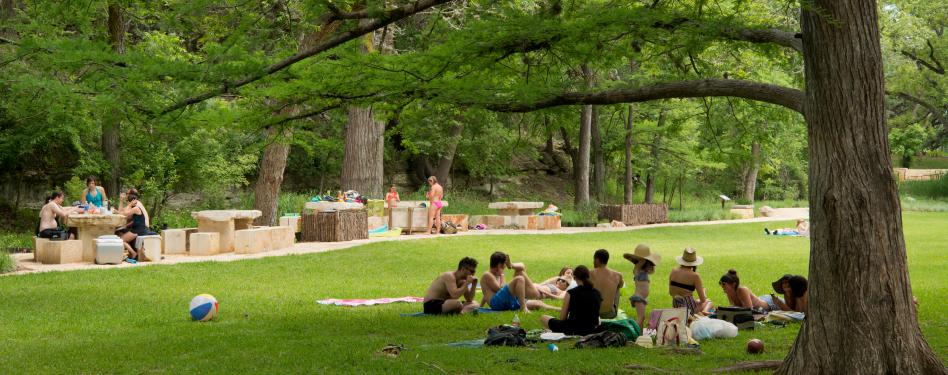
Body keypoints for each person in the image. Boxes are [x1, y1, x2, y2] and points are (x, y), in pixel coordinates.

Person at [480, 251, 560, 313]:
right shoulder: (487, 275)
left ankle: (561, 310)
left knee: (537, 303)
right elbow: (499, 290)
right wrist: (503, 277)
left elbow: (486, 293)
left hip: (503, 302)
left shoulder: (497, 274)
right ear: (499, 265)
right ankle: (523, 308)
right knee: (519, 279)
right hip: (496, 303)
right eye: (504, 265)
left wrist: (480, 306)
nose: (505, 267)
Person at [540, 265, 602, 336]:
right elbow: (597, 315)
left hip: (572, 329)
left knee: (543, 318)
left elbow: (562, 318)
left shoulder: (571, 293)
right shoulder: (597, 293)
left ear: (575, 278)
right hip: (591, 329)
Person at [623, 244, 661, 329]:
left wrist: (650, 261)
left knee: (642, 318)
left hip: (642, 298)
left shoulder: (643, 270)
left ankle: (640, 335)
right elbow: (642, 262)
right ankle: (633, 332)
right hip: (638, 297)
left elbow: (651, 270)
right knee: (640, 318)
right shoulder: (637, 269)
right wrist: (644, 257)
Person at [669, 248, 712, 315]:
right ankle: (704, 312)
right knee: (709, 302)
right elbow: (703, 299)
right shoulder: (695, 275)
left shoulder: (673, 271)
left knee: (697, 301)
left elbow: (671, 292)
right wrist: (704, 291)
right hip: (689, 309)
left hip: (676, 305)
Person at [116, 190, 156, 260]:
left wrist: (129, 205)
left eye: (128, 202)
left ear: (131, 202)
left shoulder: (136, 208)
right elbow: (122, 212)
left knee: (121, 240)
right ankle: (133, 253)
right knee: (121, 234)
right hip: (137, 229)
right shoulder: (134, 208)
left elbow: (124, 213)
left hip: (138, 230)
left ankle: (133, 253)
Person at [589, 249, 624, 319]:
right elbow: (621, 285)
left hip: (591, 312)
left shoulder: (589, 273)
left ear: (597, 260)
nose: (593, 262)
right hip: (609, 314)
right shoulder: (618, 275)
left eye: (594, 259)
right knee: (617, 287)